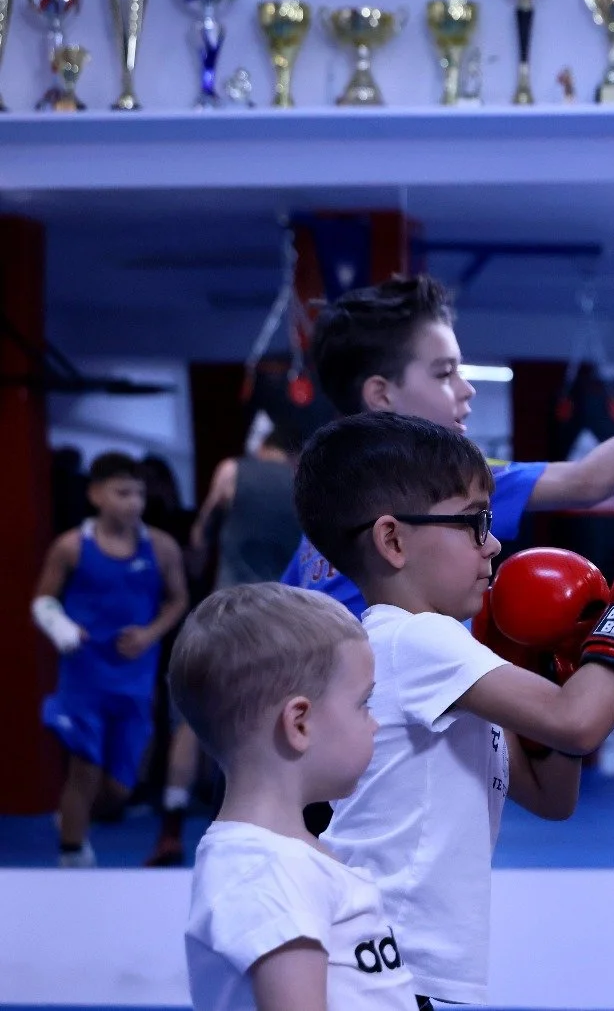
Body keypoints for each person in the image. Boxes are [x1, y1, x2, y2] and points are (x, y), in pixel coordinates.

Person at [294, 411, 614, 1005]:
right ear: (393, 540)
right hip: (378, 956)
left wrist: (558, 660)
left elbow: (551, 796)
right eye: (474, 523)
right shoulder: (413, 642)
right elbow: (579, 720)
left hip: (393, 958)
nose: (493, 542)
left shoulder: (446, 657)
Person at [283, 274, 614, 618]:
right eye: (445, 373)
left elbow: (287, 610)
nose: (466, 390)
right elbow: (590, 480)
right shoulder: (439, 481)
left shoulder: (327, 498)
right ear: (382, 395)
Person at [172, 583, 417, 1011]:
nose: (374, 724)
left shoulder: (286, 859)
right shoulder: (266, 872)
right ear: (299, 723)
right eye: (364, 704)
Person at [148, 425, 304, 866]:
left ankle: (172, 828)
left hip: (229, 611)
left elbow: (199, 539)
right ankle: (262, 829)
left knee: (195, 721)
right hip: (286, 616)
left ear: (260, 442)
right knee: (275, 722)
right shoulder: (308, 481)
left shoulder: (233, 470)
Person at [32, 452, 189, 867]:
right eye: (122, 493)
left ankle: (70, 820)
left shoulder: (162, 547)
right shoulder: (70, 547)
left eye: (138, 493)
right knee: (83, 769)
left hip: (135, 681)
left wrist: (151, 633)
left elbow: (178, 599)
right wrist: (65, 630)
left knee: (121, 786)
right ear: (96, 494)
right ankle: (72, 856)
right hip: (84, 678)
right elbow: (43, 601)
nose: (133, 502)